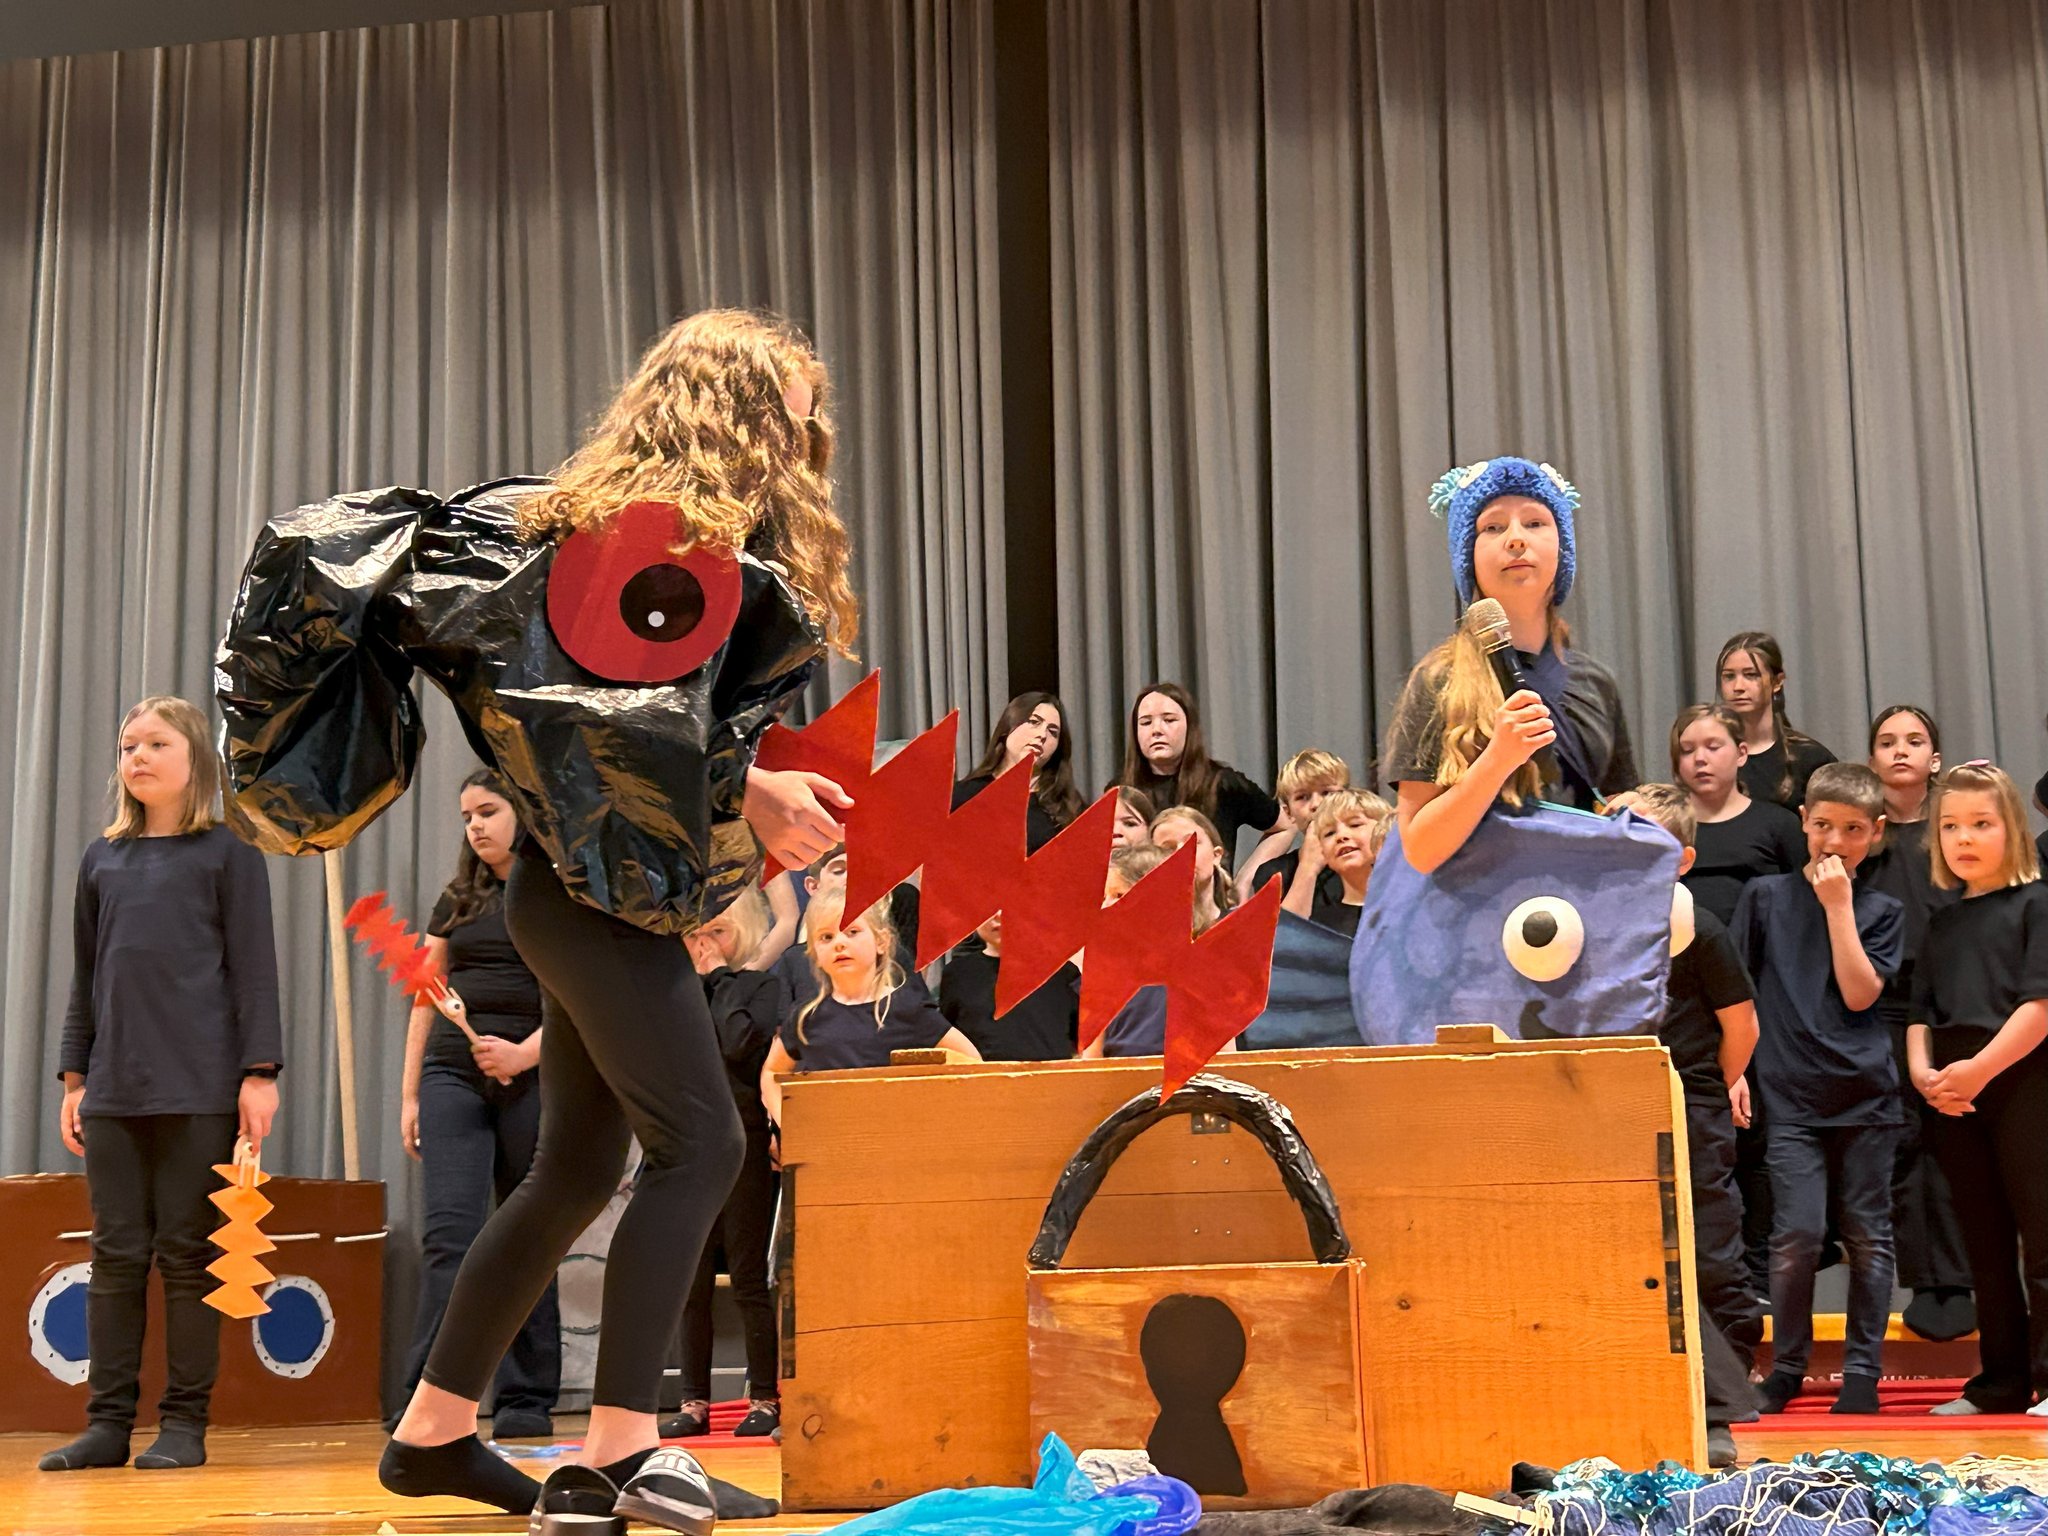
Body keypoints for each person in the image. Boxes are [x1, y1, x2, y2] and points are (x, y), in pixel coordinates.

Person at [218, 310, 861, 1520]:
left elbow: (625, 730)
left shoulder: (622, 542)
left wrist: (739, 791)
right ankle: (621, 1449)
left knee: (574, 1168)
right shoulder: (640, 546)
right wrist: (749, 791)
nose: (809, 434)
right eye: (792, 410)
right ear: (733, 411)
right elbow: (596, 740)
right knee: (702, 1147)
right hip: (585, 905)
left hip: (574, 901)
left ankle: (430, 1431)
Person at [41, 696, 283, 1475]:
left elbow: (254, 972)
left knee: (185, 1255)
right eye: (127, 746)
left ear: (194, 759)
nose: (137, 757)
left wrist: (260, 1072)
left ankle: (184, 1423)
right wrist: (74, 1077)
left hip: (200, 1087)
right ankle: (106, 1425)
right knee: (114, 1256)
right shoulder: (102, 859)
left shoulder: (228, 853)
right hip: (115, 1088)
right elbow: (87, 977)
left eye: (155, 743)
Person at [1733, 763, 1903, 1417]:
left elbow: (1860, 994)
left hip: (1866, 1097)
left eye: (1853, 829)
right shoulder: (1765, 898)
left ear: (1876, 832)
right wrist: (1736, 1071)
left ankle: (1862, 1372)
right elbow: (1739, 995)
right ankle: (1788, 1368)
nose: (1835, 841)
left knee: (1868, 1235)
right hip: (1790, 1097)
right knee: (1796, 1235)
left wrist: (1838, 908)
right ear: (1804, 821)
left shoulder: (1881, 911)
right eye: (1824, 825)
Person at [396, 769, 558, 1441]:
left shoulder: (558, 894)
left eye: (487, 811)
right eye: (467, 817)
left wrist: (523, 1055)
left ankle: (526, 1397)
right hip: (452, 1075)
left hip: (534, 1074)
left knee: (527, 1237)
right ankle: (425, 1398)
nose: (475, 826)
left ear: (521, 813)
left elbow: (577, 1000)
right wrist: (410, 1094)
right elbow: (425, 995)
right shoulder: (456, 898)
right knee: (450, 1237)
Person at [1381, 457, 1637, 876]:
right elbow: (1420, 849)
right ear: (1468, 558)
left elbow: (1613, 801)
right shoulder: (1439, 682)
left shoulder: (1596, 682)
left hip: (1578, 900)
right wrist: (1498, 759)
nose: (1516, 539)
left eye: (1534, 523)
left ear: (1562, 549)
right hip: (1477, 907)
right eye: (1493, 527)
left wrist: (1633, 809)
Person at [1607, 785, 1761, 1466]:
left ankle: (1718, 1413)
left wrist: (1709, 1089)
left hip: (1689, 1109)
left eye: (1648, 841)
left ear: (1683, 860)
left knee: (1709, 1254)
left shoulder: (1699, 927)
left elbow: (1742, 1026)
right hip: (1613, 1112)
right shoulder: (1587, 921)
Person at [1908, 763, 2048, 1417]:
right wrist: (1925, 1075)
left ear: (2011, 828)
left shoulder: (2038, 904)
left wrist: (1979, 1070)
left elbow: (2039, 1008)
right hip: (1956, 1098)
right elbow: (1919, 1012)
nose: (1964, 838)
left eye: (1981, 824)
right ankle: (2001, 1382)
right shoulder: (1942, 923)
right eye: (1951, 826)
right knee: (1984, 1246)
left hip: (2024, 1086)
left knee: (2042, 1238)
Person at [1860, 707, 1971, 1343]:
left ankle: (1967, 1279)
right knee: (1903, 1140)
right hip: (1884, 1004)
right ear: (1872, 760)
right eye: (1886, 742)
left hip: (1956, 997)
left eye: (1914, 741)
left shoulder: (1954, 830)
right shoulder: (1866, 838)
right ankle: (1928, 1281)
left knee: (1958, 1132)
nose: (1900, 750)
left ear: (1935, 759)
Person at [669, 888, 787, 1441]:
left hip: (743, 1143)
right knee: (689, 1281)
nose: (704, 944)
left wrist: (717, 978)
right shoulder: (675, 994)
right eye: (696, 935)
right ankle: (692, 1401)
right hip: (688, 1147)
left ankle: (764, 1396)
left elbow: (739, 1043)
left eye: (715, 932)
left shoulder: (758, 987)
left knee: (746, 1275)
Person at [760, 896, 982, 1126]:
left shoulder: (908, 1009)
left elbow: (972, 1062)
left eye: (852, 931)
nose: (839, 943)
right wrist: (790, 1125)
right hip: (828, 1142)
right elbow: (771, 1072)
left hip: (896, 1139)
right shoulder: (806, 1017)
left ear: (881, 942)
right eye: (826, 937)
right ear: (814, 954)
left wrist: (936, 1118)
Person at [1081, 845, 1237, 1061]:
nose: (1106, 906)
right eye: (1104, 897)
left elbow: (1225, 1058)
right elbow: (1091, 1062)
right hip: (1119, 1079)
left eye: (1119, 895)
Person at [1119, 683, 1288, 867]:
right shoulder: (1121, 791)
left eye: (1169, 720)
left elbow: (1284, 826)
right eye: (1146, 722)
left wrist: (1245, 878)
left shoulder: (1221, 783)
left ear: (1189, 727)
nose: (1156, 730)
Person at [1673, 703, 1808, 926]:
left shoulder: (1780, 825)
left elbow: (1802, 908)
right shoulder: (1666, 828)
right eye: (1687, 750)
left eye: (1713, 747)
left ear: (1741, 753)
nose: (1700, 758)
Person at [1715, 632, 1836, 811]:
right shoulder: (1711, 755)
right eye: (1729, 676)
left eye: (1751, 675)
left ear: (1777, 682)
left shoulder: (1810, 758)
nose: (1738, 687)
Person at [952, 692, 1086, 853]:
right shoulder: (963, 796)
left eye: (1053, 732)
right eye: (1034, 722)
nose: (1042, 735)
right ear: (1008, 727)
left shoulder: (1070, 809)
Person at [938, 911, 1080, 1061]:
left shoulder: (1063, 972)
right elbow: (949, 1034)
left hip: (1052, 1073)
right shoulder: (957, 973)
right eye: (988, 907)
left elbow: (1080, 1038)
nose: (998, 915)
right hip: (981, 1073)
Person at [1242, 749, 1351, 905]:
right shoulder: (1273, 875)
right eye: (1302, 797)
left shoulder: (1368, 860)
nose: (1316, 804)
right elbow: (1281, 921)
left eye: (1327, 793)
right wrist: (1307, 869)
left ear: (1348, 799)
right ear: (1288, 812)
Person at [1280, 788, 1391, 938]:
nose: (1341, 836)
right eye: (1329, 833)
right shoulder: (1320, 925)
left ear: (1384, 832)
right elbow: (1282, 941)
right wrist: (1308, 867)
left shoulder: (1415, 905)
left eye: (1355, 824)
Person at [1149, 805, 1237, 927]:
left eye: (1191, 843)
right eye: (1168, 848)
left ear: (1216, 855)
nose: (1182, 854)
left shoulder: (1242, 924)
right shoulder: (1145, 929)